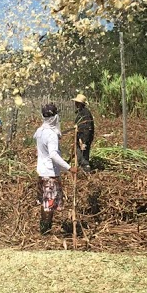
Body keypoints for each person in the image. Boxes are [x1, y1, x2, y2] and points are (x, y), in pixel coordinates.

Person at [34, 102, 75, 234]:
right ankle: (45, 231)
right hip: (50, 174)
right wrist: (69, 168)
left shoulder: (40, 132)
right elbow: (53, 155)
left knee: (45, 203)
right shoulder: (51, 135)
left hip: (42, 172)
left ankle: (44, 229)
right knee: (49, 204)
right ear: (55, 117)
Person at [72, 93, 94, 170]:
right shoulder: (81, 112)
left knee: (83, 157)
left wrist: (84, 141)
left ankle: (86, 170)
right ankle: (83, 169)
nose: (75, 104)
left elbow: (87, 128)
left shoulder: (85, 113)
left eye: (77, 102)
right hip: (80, 138)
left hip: (84, 139)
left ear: (80, 104)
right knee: (81, 155)